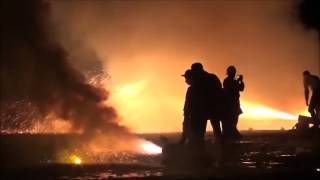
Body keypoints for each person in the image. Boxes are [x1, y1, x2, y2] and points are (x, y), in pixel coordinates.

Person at [191, 63, 223, 142]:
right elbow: (220, 91)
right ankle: (220, 145)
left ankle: (201, 147)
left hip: (204, 108)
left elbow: (195, 95)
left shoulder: (197, 80)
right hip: (212, 107)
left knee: (201, 130)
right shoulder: (212, 77)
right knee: (216, 128)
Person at [223, 66, 244, 139]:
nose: (233, 73)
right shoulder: (227, 81)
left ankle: (232, 136)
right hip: (230, 104)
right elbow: (240, 88)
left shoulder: (232, 81)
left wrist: (240, 81)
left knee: (233, 122)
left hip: (234, 103)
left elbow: (241, 88)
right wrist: (239, 81)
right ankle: (234, 136)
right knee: (232, 122)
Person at [179, 69, 194, 144]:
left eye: (186, 78)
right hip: (189, 113)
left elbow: (189, 102)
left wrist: (187, 113)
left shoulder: (192, 89)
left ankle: (187, 142)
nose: (185, 80)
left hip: (191, 114)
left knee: (188, 127)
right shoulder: (192, 89)